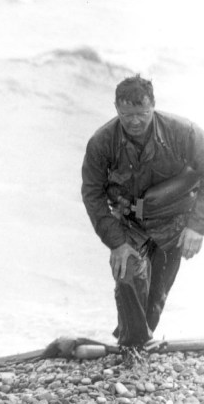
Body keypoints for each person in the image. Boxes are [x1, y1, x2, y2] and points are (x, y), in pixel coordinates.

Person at [81, 75, 204, 358]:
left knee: (155, 299)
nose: (134, 121)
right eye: (126, 115)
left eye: (141, 114)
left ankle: (137, 345)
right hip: (132, 225)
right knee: (129, 274)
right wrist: (116, 243)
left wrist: (197, 227)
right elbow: (92, 195)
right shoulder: (102, 143)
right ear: (115, 108)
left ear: (153, 106)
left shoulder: (183, 132)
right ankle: (131, 346)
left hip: (174, 223)